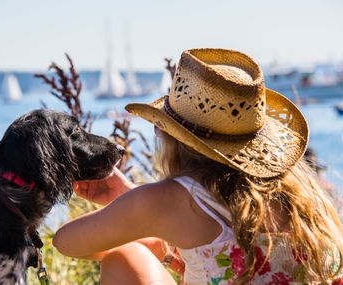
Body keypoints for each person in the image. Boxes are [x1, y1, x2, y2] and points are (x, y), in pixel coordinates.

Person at [53, 48, 343, 284]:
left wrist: (133, 206)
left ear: (173, 137)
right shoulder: (301, 196)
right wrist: (132, 201)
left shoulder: (172, 199)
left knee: (126, 256)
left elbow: (67, 242)